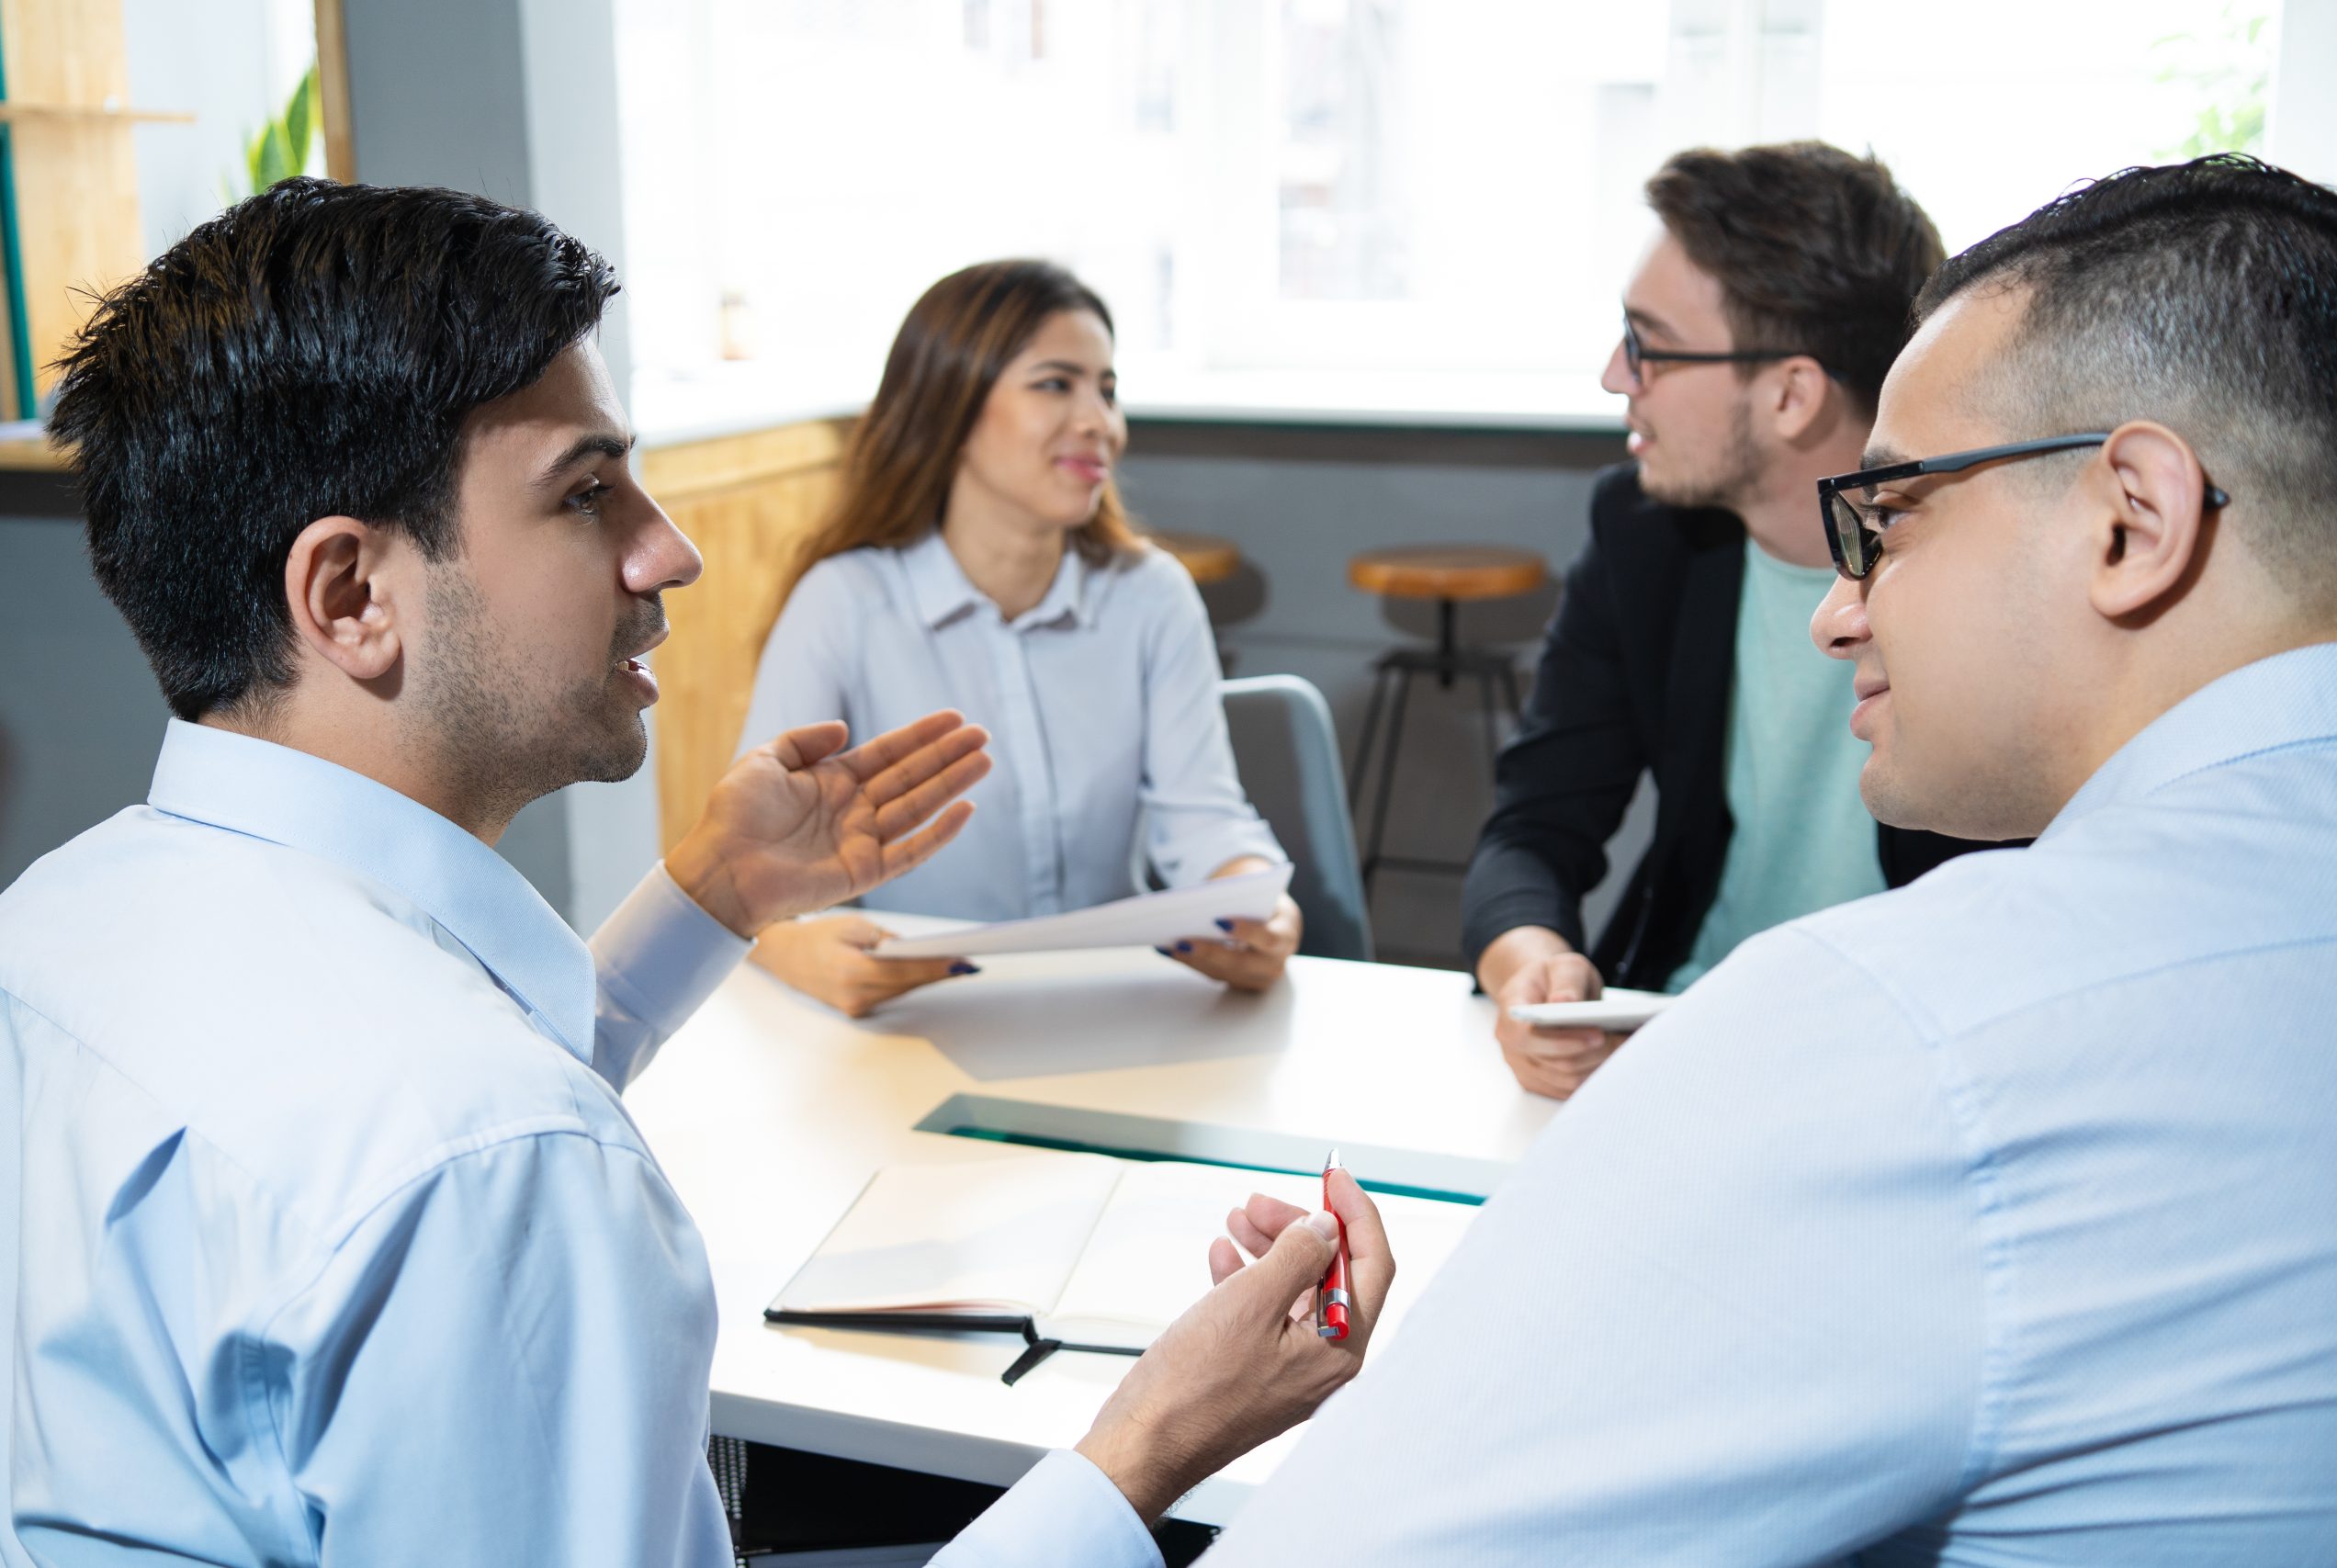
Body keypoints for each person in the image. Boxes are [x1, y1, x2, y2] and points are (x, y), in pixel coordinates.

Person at [0, 179, 1392, 1566]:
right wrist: (1149, 1443)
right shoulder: (497, 1164)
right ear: (351, 594)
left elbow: (387, 1129)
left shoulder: (45, 933)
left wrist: (713, 895)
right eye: (587, 491)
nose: (672, 546)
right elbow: (462, 1147)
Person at [1202, 153, 2337, 1562]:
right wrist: (1525, 951)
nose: (1838, 615)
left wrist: (1143, 1446)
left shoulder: (1910, 1028)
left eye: (1896, 516)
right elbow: (1538, 817)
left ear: (2133, 517)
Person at [1463, 142, 1997, 1099]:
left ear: (1791, 394)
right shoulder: (1644, 535)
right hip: (1671, 1045)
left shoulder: (1992, 571)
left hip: (1901, 1082)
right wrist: (1528, 962)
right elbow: (1533, 823)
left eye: (1648, 346)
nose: (1612, 377)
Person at [736, 260, 1302, 1018]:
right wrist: (793, 947)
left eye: (1107, 388)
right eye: (1055, 384)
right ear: (952, 406)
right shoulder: (844, 604)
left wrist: (1258, 902)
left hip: (1112, 1009)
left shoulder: (1152, 597)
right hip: (916, 1017)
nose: (1100, 422)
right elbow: (751, 866)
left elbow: (1201, 817)